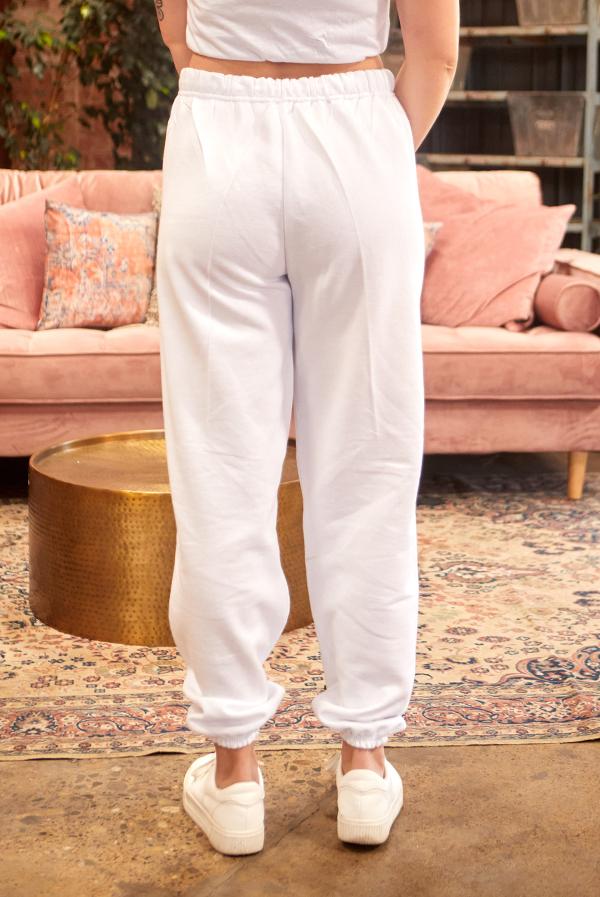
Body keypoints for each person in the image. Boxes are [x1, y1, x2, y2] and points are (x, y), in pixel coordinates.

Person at [155, 0, 460, 854]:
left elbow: (177, 26)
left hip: (217, 128)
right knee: (369, 463)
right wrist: (366, 154)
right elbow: (434, 53)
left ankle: (234, 775)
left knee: (220, 470)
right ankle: (364, 762)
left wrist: (232, 96)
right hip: (355, 130)